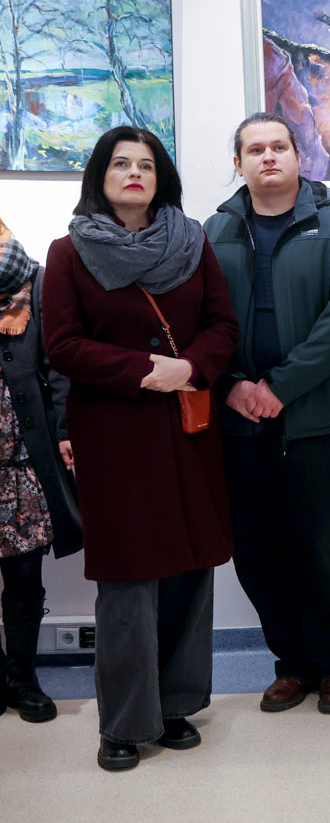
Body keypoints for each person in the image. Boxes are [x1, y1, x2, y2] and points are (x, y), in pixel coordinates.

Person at [42, 126, 241, 771]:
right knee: (129, 579)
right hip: (114, 434)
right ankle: (125, 723)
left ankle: (176, 705)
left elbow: (222, 325)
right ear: (100, 176)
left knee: (189, 568)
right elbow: (62, 346)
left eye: (147, 165)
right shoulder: (68, 252)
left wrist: (191, 368)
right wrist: (145, 370)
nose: (134, 173)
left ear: (161, 178)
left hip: (187, 430)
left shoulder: (193, 242)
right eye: (121, 164)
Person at [204, 112, 330, 715]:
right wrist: (230, 386)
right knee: (258, 551)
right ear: (239, 164)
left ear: (300, 156)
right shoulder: (213, 231)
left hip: (317, 415)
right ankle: (292, 664)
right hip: (241, 420)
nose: (269, 157)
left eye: (279, 146)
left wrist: (280, 385)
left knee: (326, 548)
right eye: (256, 149)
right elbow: (198, 321)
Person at [0, 218, 81, 723]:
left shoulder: (34, 278)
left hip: (24, 456)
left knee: (25, 573)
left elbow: (58, 363)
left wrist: (66, 428)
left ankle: (22, 678)